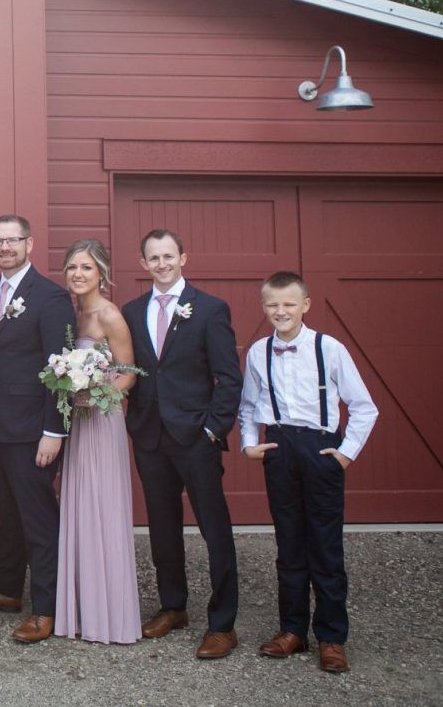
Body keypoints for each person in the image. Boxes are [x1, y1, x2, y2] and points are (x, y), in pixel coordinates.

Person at [240, 271, 378, 674]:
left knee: (325, 546)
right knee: (289, 544)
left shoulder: (329, 348)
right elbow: (249, 405)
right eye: (272, 304)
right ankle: (293, 630)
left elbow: (364, 406)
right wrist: (250, 444)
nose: (280, 311)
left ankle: (332, 637)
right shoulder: (258, 352)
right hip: (280, 449)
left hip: (320, 449)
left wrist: (345, 454)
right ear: (264, 306)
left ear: (305, 305)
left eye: (288, 303)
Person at [121, 229, 243, 659]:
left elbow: (229, 377)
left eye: (168, 256)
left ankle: (223, 623)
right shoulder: (132, 312)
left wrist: (213, 429)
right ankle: (173, 606)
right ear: (144, 264)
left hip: (195, 436)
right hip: (151, 436)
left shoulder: (209, 309)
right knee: (162, 526)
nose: (161, 264)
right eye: (153, 258)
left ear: (182, 258)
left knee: (214, 527)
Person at [0, 213, 75, 644]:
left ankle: (46, 607)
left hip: (33, 427)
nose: (5, 248)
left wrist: (55, 430)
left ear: (30, 244)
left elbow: (62, 368)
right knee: (6, 510)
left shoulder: (50, 297)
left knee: (37, 518)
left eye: (13, 240)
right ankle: (6, 587)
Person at [54, 239, 141, 644]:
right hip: (78, 420)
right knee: (79, 505)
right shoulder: (72, 312)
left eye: (86, 267)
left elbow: (128, 373)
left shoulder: (109, 314)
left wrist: (99, 396)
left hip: (101, 421)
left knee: (101, 506)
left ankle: (108, 611)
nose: (78, 274)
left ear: (101, 272)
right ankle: (80, 607)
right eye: (72, 267)